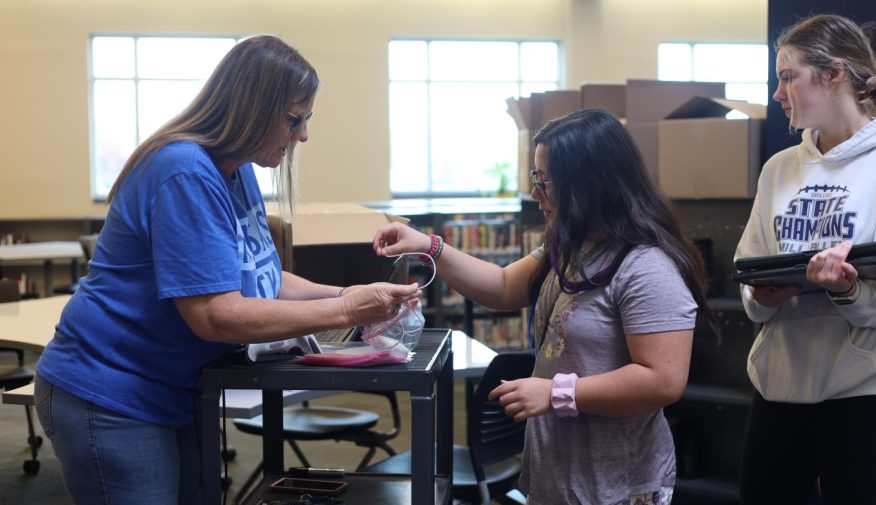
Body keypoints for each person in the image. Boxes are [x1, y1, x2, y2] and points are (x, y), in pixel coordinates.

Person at [34, 35, 419, 505]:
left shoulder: (236, 171)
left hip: (170, 388)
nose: (303, 135)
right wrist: (347, 311)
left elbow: (266, 279)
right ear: (253, 108)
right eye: (294, 119)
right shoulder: (186, 172)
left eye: (307, 119)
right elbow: (217, 315)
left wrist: (347, 292)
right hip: (111, 391)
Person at [374, 108, 715, 504]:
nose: (535, 192)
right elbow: (502, 287)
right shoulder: (571, 245)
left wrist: (556, 392)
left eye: (545, 181)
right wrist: (428, 245)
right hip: (560, 473)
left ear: (590, 184)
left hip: (617, 484)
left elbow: (662, 380)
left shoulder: (647, 267)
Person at [734, 13, 876, 505]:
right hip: (778, 385)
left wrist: (846, 289)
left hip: (866, 390)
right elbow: (749, 274)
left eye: (788, 77)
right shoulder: (779, 168)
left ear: (835, 75)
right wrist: (762, 296)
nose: (777, 94)